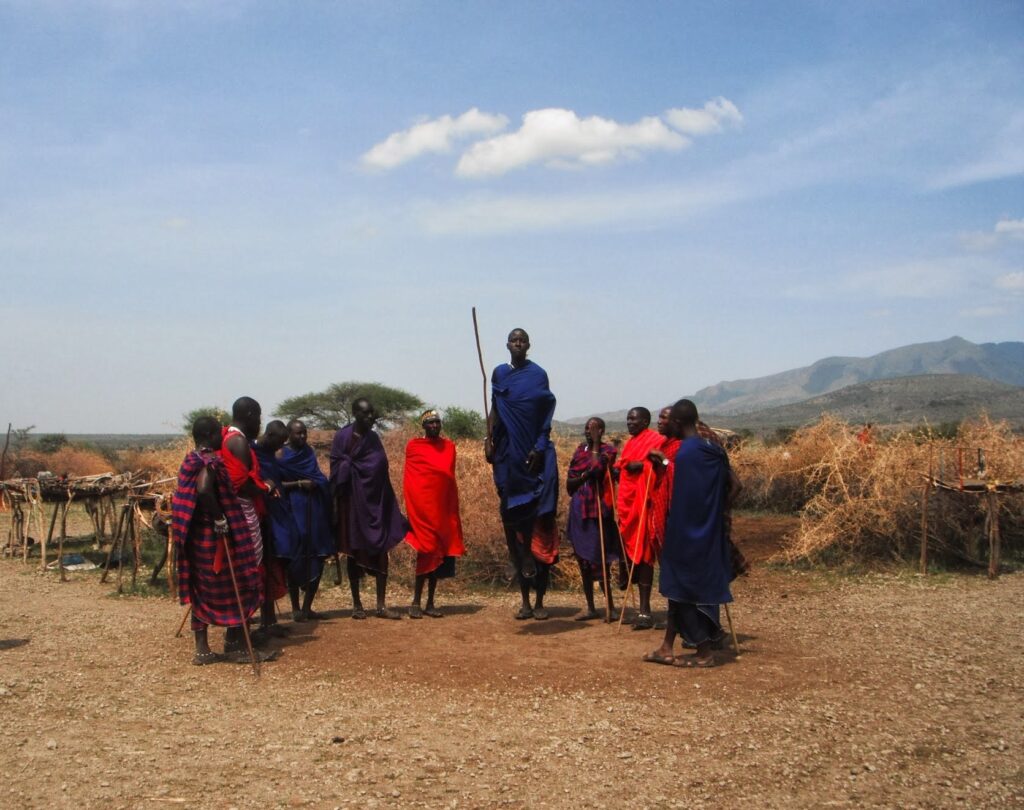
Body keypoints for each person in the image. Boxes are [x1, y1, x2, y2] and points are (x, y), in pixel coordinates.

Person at [646, 399, 742, 668]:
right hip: (710, 530)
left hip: (686, 532)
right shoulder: (713, 448)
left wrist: (663, 461)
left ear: (677, 423)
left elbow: (680, 488)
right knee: (678, 590)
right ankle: (666, 647)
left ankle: (704, 651)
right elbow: (736, 486)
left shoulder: (686, 454)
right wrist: (718, 513)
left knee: (681, 587)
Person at [171, 416, 268, 665]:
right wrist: (219, 519)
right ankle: (236, 644)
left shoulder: (190, 459)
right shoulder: (209, 461)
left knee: (201, 590)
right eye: (218, 434)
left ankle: (202, 650)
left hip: (196, 539)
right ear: (213, 436)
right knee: (238, 583)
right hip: (214, 538)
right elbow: (204, 489)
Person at [485, 328, 559, 621]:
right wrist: (488, 440)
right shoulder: (499, 374)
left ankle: (540, 600)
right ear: (507, 345)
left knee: (541, 522)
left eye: (523, 340)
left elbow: (546, 414)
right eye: (514, 340)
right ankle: (525, 601)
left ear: (529, 345)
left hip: (534, 456)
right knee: (512, 523)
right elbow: (495, 409)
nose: (518, 344)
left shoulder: (538, 375)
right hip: (507, 455)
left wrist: (540, 447)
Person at [330, 398, 407, 620]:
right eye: (366, 413)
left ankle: (381, 606)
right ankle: (357, 605)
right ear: (355, 414)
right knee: (354, 553)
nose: (371, 417)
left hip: (376, 503)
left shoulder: (374, 439)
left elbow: (380, 467)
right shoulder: (342, 438)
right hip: (352, 504)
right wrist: (335, 506)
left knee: (381, 551)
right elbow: (336, 470)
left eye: (372, 413)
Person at [220, 397, 283, 641]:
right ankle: (236, 638)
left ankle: (240, 632)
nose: (259, 422)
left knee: (246, 569)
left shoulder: (230, 438)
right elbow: (242, 484)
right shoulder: (237, 441)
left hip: (242, 512)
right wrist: (266, 487)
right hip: (243, 513)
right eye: (258, 416)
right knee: (248, 570)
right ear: (249, 416)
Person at [403, 410, 466, 618]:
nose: (434, 426)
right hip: (423, 510)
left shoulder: (449, 447)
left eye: (437, 422)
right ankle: (415, 602)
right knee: (426, 551)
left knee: (439, 553)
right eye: (430, 423)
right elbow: (411, 482)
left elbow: (448, 479)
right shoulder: (414, 447)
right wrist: (414, 510)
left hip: (443, 509)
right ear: (423, 426)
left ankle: (430, 602)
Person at [278, 419, 335, 622]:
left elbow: (317, 476)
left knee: (317, 554)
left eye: (304, 433)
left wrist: (321, 483)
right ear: (288, 434)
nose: (302, 437)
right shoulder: (280, 454)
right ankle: (294, 607)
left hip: (314, 508)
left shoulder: (308, 452)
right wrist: (299, 483)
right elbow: (275, 484)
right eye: (298, 433)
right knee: (296, 556)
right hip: (293, 509)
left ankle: (307, 607)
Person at [614, 406, 664, 629]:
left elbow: (662, 467)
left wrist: (642, 466)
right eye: (627, 419)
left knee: (644, 555)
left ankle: (645, 611)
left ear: (645, 421)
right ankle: (636, 603)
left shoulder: (655, 439)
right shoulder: (631, 443)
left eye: (634, 419)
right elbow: (624, 468)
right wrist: (620, 469)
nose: (629, 422)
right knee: (630, 554)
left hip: (644, 505)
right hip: (627, 507)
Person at [566, 417, 620, 621]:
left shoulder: (608, 450)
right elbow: (570, 482)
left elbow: (597, 470)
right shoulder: (580, 451)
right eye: (587, 429)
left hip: (598, 510)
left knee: (601, 558)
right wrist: (582, 477)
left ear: (602, 431)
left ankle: (611, 607)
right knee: (583, 561)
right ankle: (590, 607)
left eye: (594, 429)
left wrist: (597, 443)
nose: (589, 432)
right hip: (580, 510)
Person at [251, 420, 298, 634]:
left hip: (278, 514)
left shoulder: (268, 454)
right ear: (269, 435)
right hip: (262, 517)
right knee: (265, 567)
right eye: (278, 442)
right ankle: (264, 622)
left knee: (275, 565)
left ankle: (270, 622)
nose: (280, 447)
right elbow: (253, 483)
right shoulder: (251, 451)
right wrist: (267, 488)